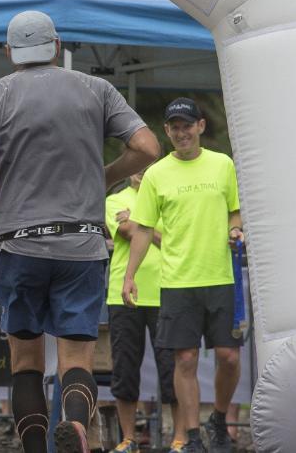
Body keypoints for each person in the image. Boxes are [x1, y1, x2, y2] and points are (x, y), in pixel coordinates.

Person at [0, 11, 160, 453]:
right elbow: (146, 147)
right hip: (81, 243)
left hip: (19, 245)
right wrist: (105, 175)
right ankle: (77, 425)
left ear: (9, 52)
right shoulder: (97, 89)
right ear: (58, 46)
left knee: (26, 362)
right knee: (77, 357)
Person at [122, 98, 243, 453]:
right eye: (174, 127)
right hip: (177, 282)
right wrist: (130, 275)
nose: (181, 132)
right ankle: (190, 437)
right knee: (185, 359)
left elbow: (235, 212)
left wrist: (235, 229)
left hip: (221, 278)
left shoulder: (223, 165)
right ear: (166, 131)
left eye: (187, 125)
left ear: (200, 126)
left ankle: (217, 419)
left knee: (229, 357)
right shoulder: (156, 173)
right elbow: (143, 229)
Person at [104, 172, 177, 452]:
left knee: (172, 369)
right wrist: (152, 230)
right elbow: (127, 232)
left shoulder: (168, 198)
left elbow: (173, 242)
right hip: (124, 295)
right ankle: (128, 439)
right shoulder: (114, 199)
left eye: (148, 165)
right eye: (137, 165)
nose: (141, 171)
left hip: (166, 291)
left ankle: (180, 439)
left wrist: (137, 221)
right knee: (125, 368)